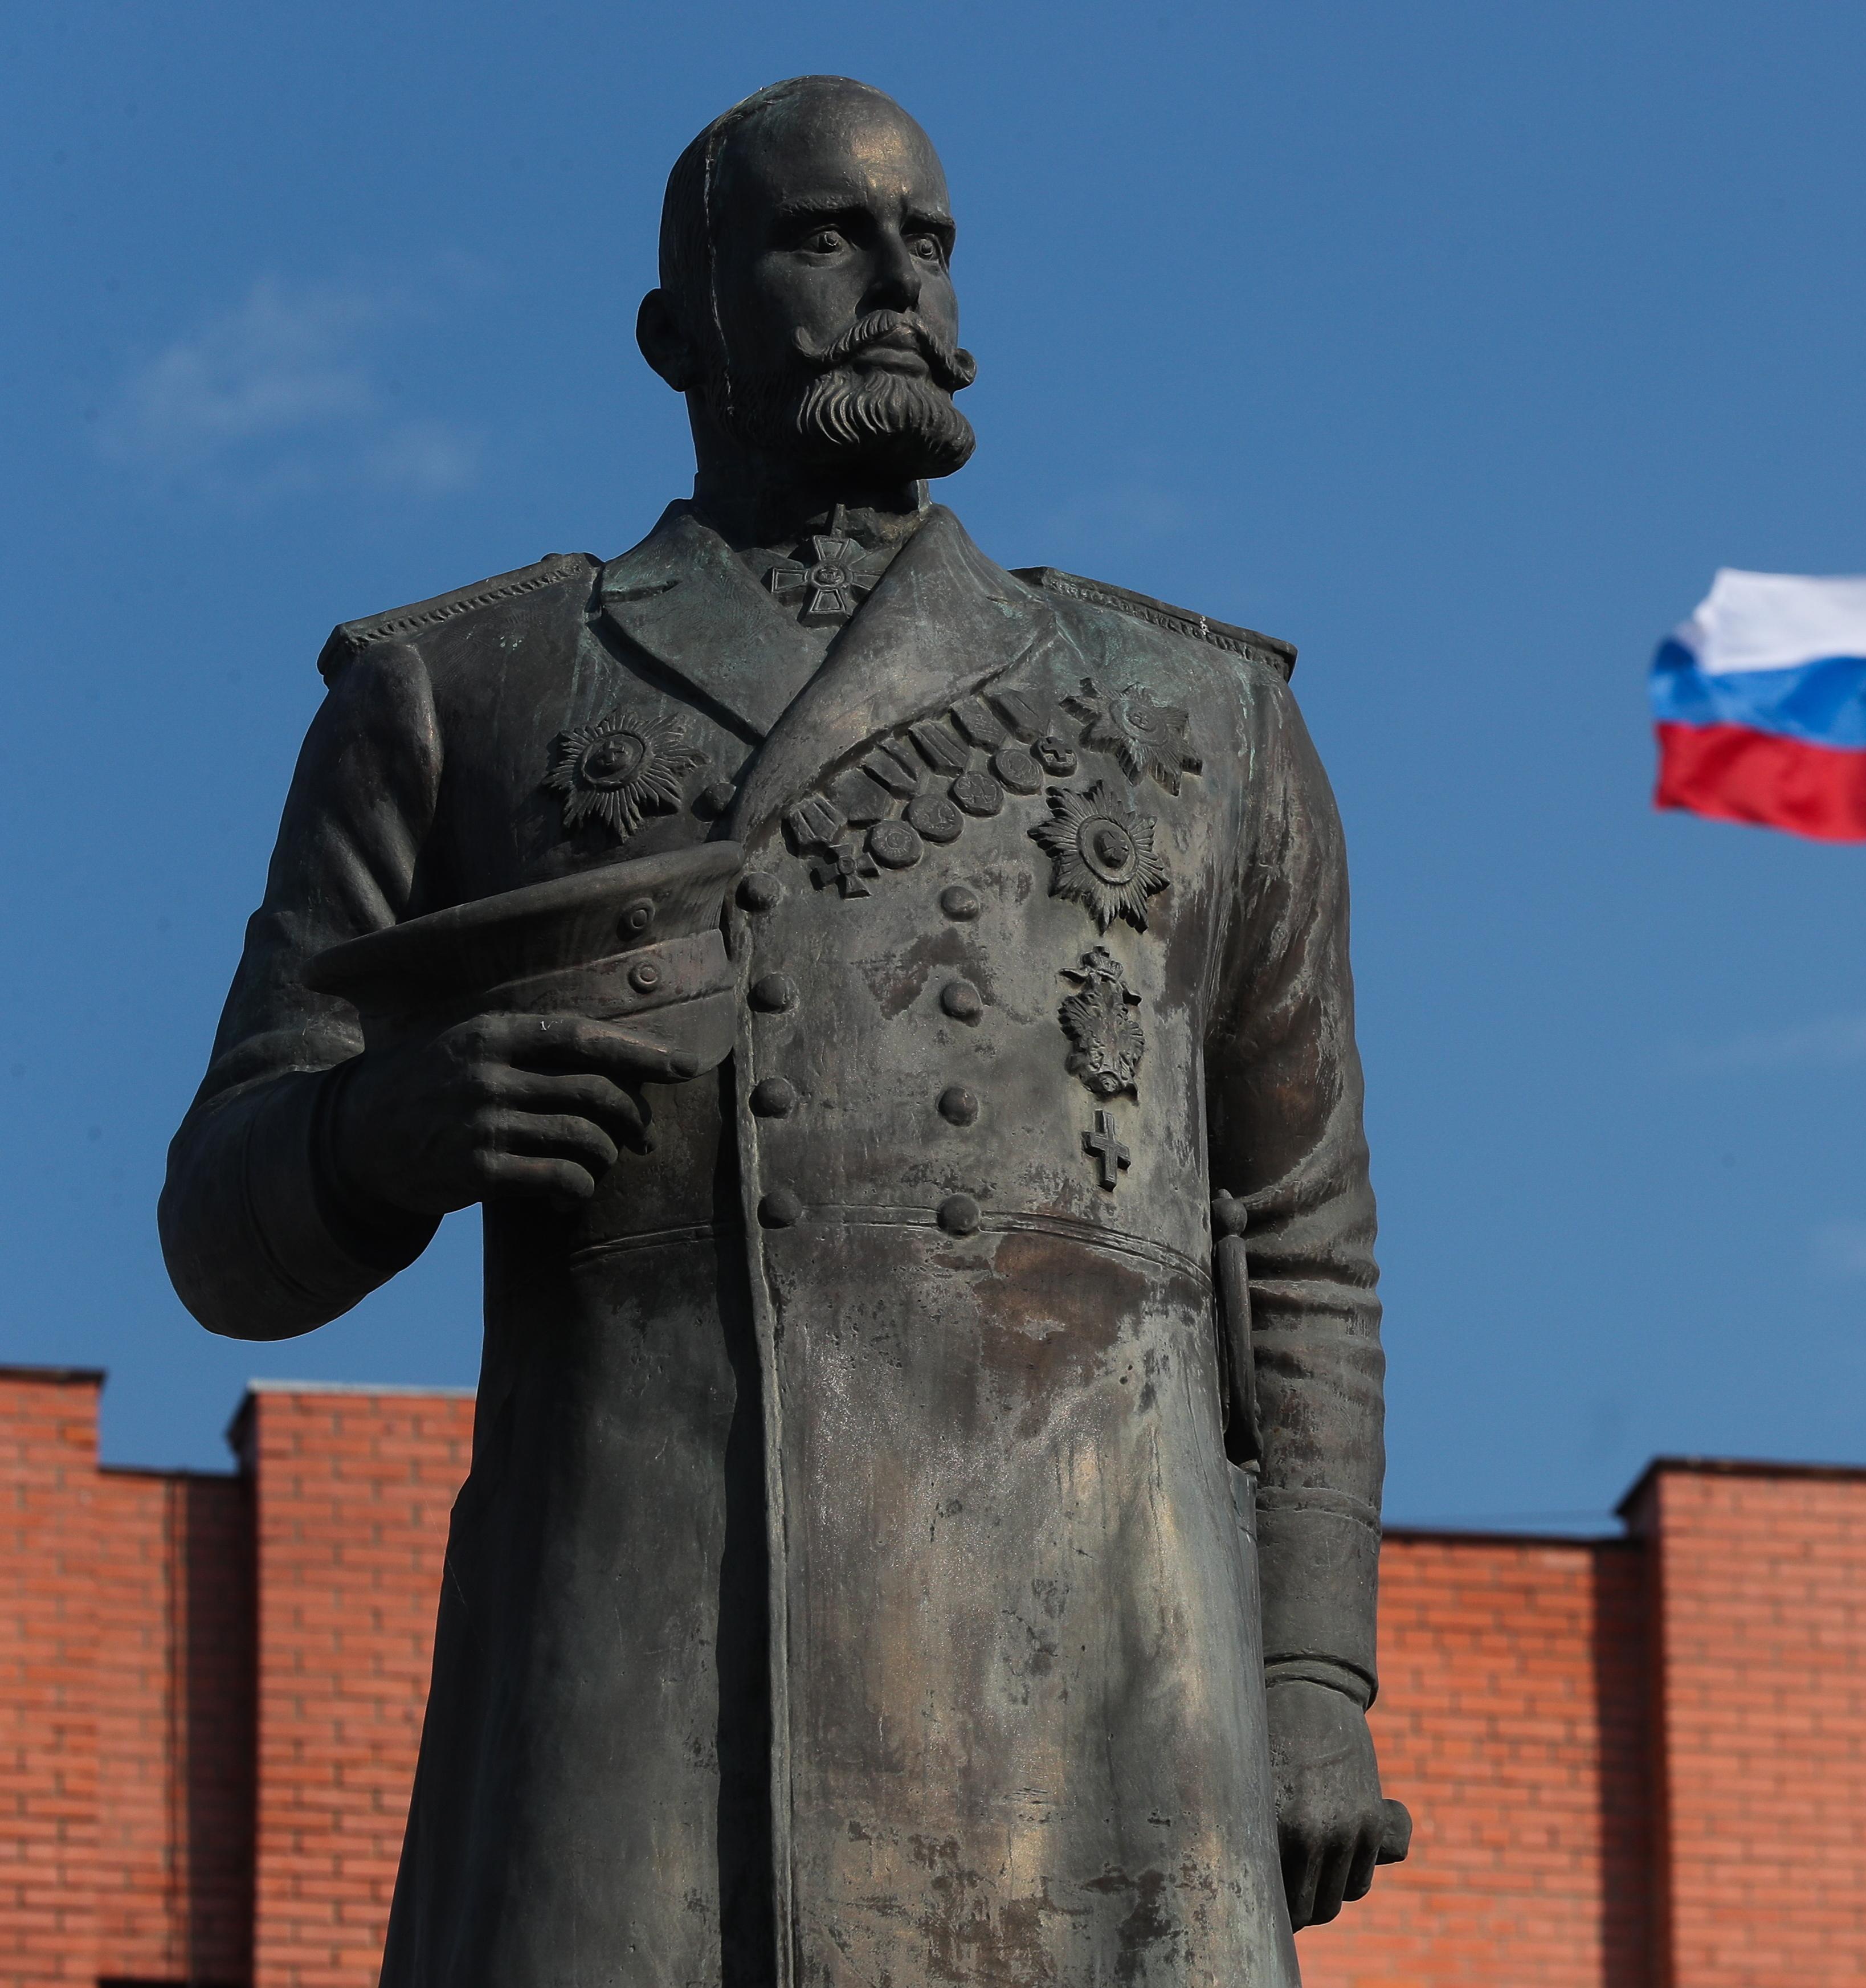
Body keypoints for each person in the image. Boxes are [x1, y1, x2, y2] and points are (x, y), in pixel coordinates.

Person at [161, 75, 1391, 1987]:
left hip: (1104, 1681)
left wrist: (1312, 1668)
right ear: (683, 326)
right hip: (639, 1654)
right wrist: (380, 1134)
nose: (897, 281)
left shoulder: (1195, 716)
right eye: (826, 237)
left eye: (930, 240)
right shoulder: (469, 691)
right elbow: (220, 1219)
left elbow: (1300, 1233)